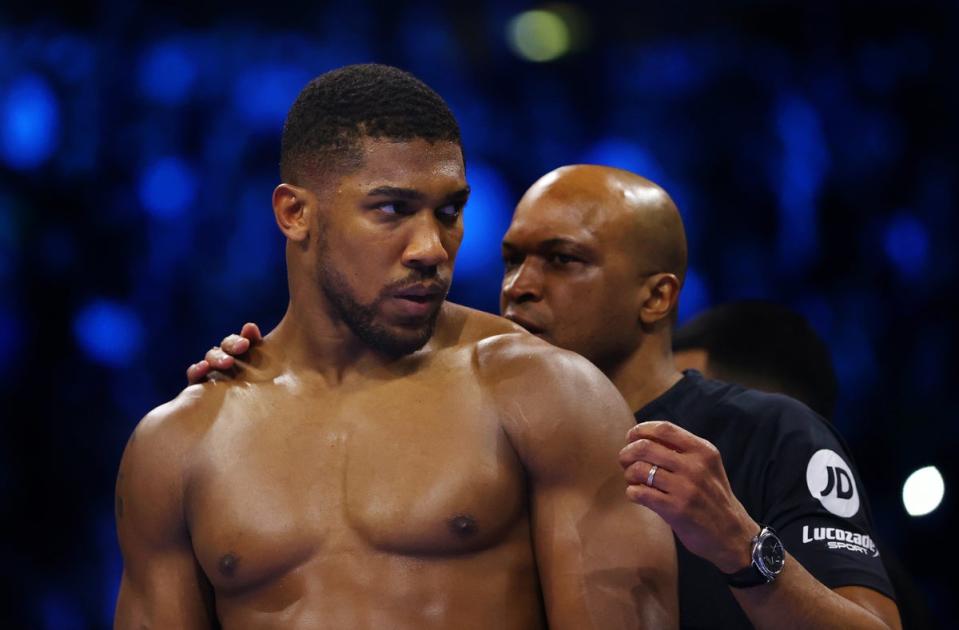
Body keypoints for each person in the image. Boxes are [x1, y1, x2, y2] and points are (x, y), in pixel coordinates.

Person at [193, 164, 901, 629]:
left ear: (655, 297)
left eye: (561, 260)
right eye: (511, 259)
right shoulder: (469, 422)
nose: (518, 286)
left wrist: (740, 545)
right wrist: (267, 383)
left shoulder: (761, 432)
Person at [115, 65, 679, 629]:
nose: (431, 248)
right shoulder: (180, 443)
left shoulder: (546, 394)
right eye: (392, 210)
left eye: (449, 212)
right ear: (295, 214)